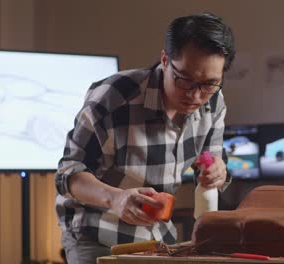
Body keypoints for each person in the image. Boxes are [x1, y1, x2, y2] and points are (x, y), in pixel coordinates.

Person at [55, 12, 235, 264]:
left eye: (209, 84)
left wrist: (217, 172)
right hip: (96, 232)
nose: (195, 95)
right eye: (184, 80)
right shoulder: (113, 98)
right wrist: (116, 198)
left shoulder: (214, 101)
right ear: (164, 60)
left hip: (158, 235)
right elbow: (68, 174)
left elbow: (211, 164)